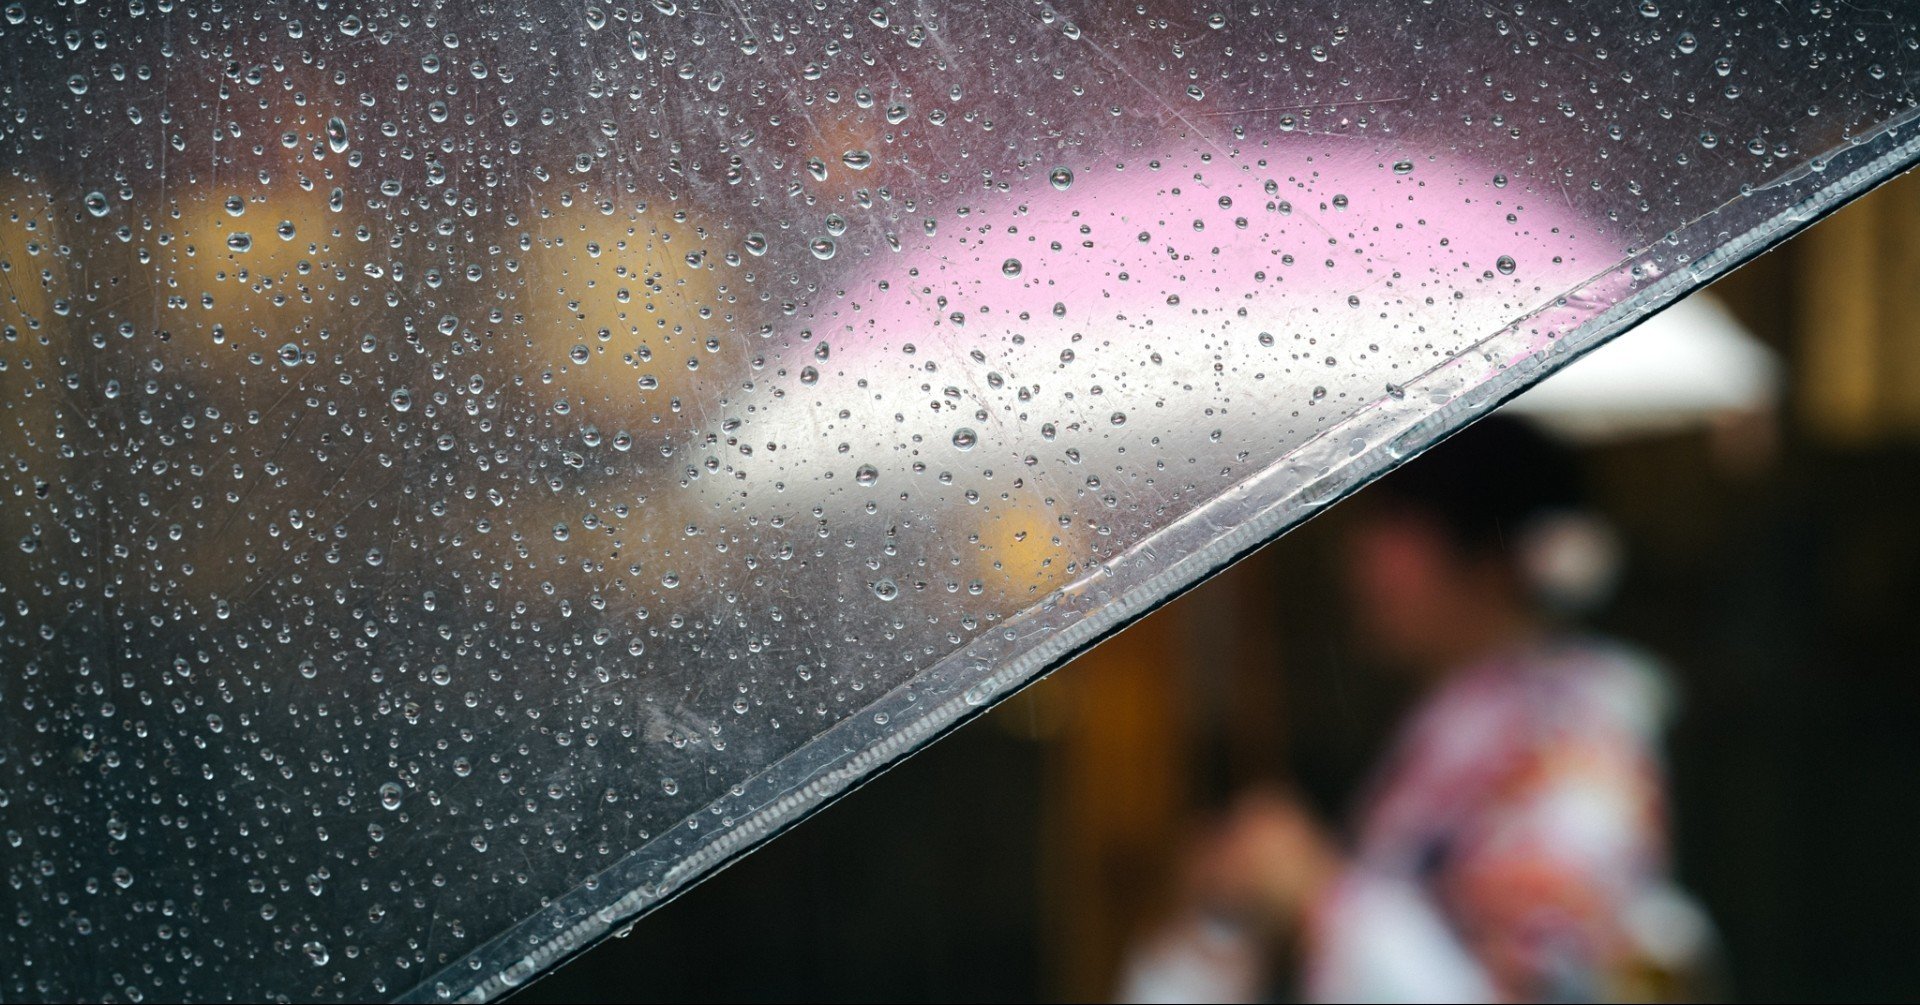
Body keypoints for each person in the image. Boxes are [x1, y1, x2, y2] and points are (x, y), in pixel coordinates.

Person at [1121, 417, 1715, 1003]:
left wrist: (1313, 892)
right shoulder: (1469, 723)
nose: (1359, 556)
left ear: (1485, 555)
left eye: (1393, 522)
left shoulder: (1573, 751)